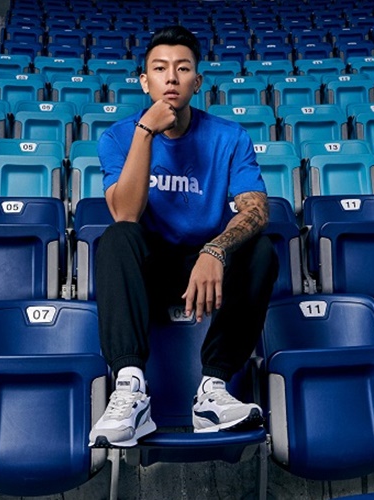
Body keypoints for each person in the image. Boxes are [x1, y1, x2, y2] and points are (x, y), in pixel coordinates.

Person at [88, 25, 279, 448]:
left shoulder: (229, 137)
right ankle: (130, 388)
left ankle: (213, 390)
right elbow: (126, 213)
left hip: (208, 275)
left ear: (198, 81)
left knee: (261, 250)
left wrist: (215, 250)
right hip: (149, 274)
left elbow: (256, 211)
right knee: (117, 238)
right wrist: (145, 132)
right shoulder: (117, 137)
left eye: (182, 68)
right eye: (160, 69)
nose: (171, 78)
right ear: (145, 81)